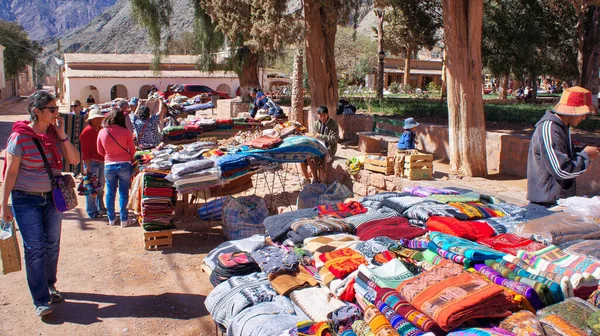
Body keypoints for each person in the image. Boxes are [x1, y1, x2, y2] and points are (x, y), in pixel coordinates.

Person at [0, 91, 80, 317]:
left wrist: (64, 135)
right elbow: (11, 173)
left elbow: (74, 160)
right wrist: (3, 204)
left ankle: (50, 285)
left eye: (56, 108)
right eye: (52, 109)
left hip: (53, 198)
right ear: (37, 112)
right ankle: (40, 299)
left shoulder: (56, 134)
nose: (57, 113)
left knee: (52, 245)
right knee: (34, 249)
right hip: (26, 200)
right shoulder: (19, 137)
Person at [527, 86, 599, 206]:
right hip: (546, 204)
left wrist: (581, 151)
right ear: (572, 110)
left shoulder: (563, 128)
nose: (584, 118)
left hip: (559, 201)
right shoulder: (549, 128)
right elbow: (560, 170)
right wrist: (585, 156)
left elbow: (564, 156)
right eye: (583, 113)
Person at [97, 108, 136, 227]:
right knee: (123, 193)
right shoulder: (126, 131)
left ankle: (111, 219)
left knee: (110, 193)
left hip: (109, 165)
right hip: (124, 164)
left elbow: (100, 151)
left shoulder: (102, 132)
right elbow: (133, 150)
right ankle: (124, 220)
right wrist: (127, 157)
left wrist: (110, 156)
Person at [300, 105, 340, 184]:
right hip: (317, 146)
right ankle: (307, 179)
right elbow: (315, 136)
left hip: (328, 148)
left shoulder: (333, 124)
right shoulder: (316, 124)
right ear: (318, 115)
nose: (322, 118)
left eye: (324, 116)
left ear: (327, 114)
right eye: (320, 116)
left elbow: (335, 139)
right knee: (302, 157)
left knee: (312, 157)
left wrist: (320, 136)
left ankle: (316, 180)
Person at [79, 108, 107, 219]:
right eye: (97, 118)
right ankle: (92, 211)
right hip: (92, 163)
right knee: (91, 189)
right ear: (91, 119)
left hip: (101, 162)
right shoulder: (87, 132)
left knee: (100, 187)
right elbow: (84, 150)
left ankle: (101, 207)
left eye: (100, 118)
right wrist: (87, 166)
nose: (99, 120)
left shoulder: (101, 129)